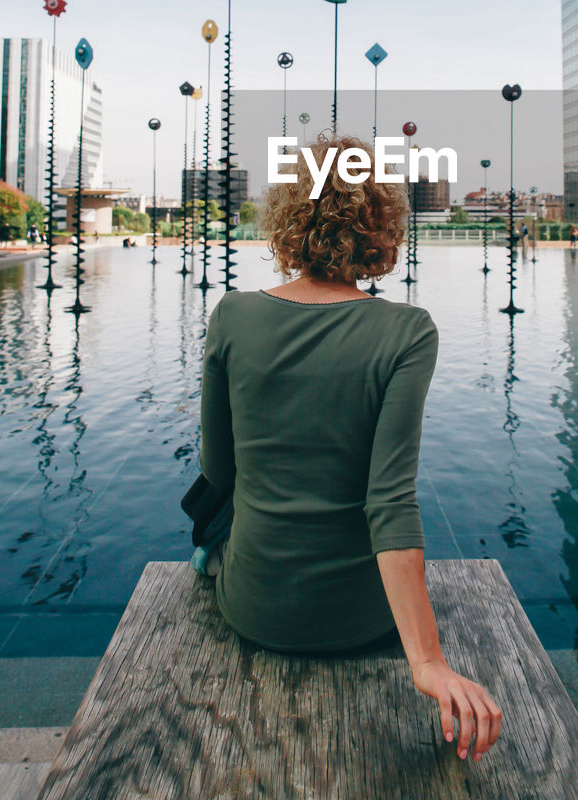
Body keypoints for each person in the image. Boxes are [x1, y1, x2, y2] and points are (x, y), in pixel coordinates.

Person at [197, 135, 502, 763]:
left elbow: (217, 471)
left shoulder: (232, 316)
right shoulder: (407, 332)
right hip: (365, 617)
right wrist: (428, 662)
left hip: (253, 606)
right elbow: (388, 502)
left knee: (212, 541)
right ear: (380, 226)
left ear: (286, 217)